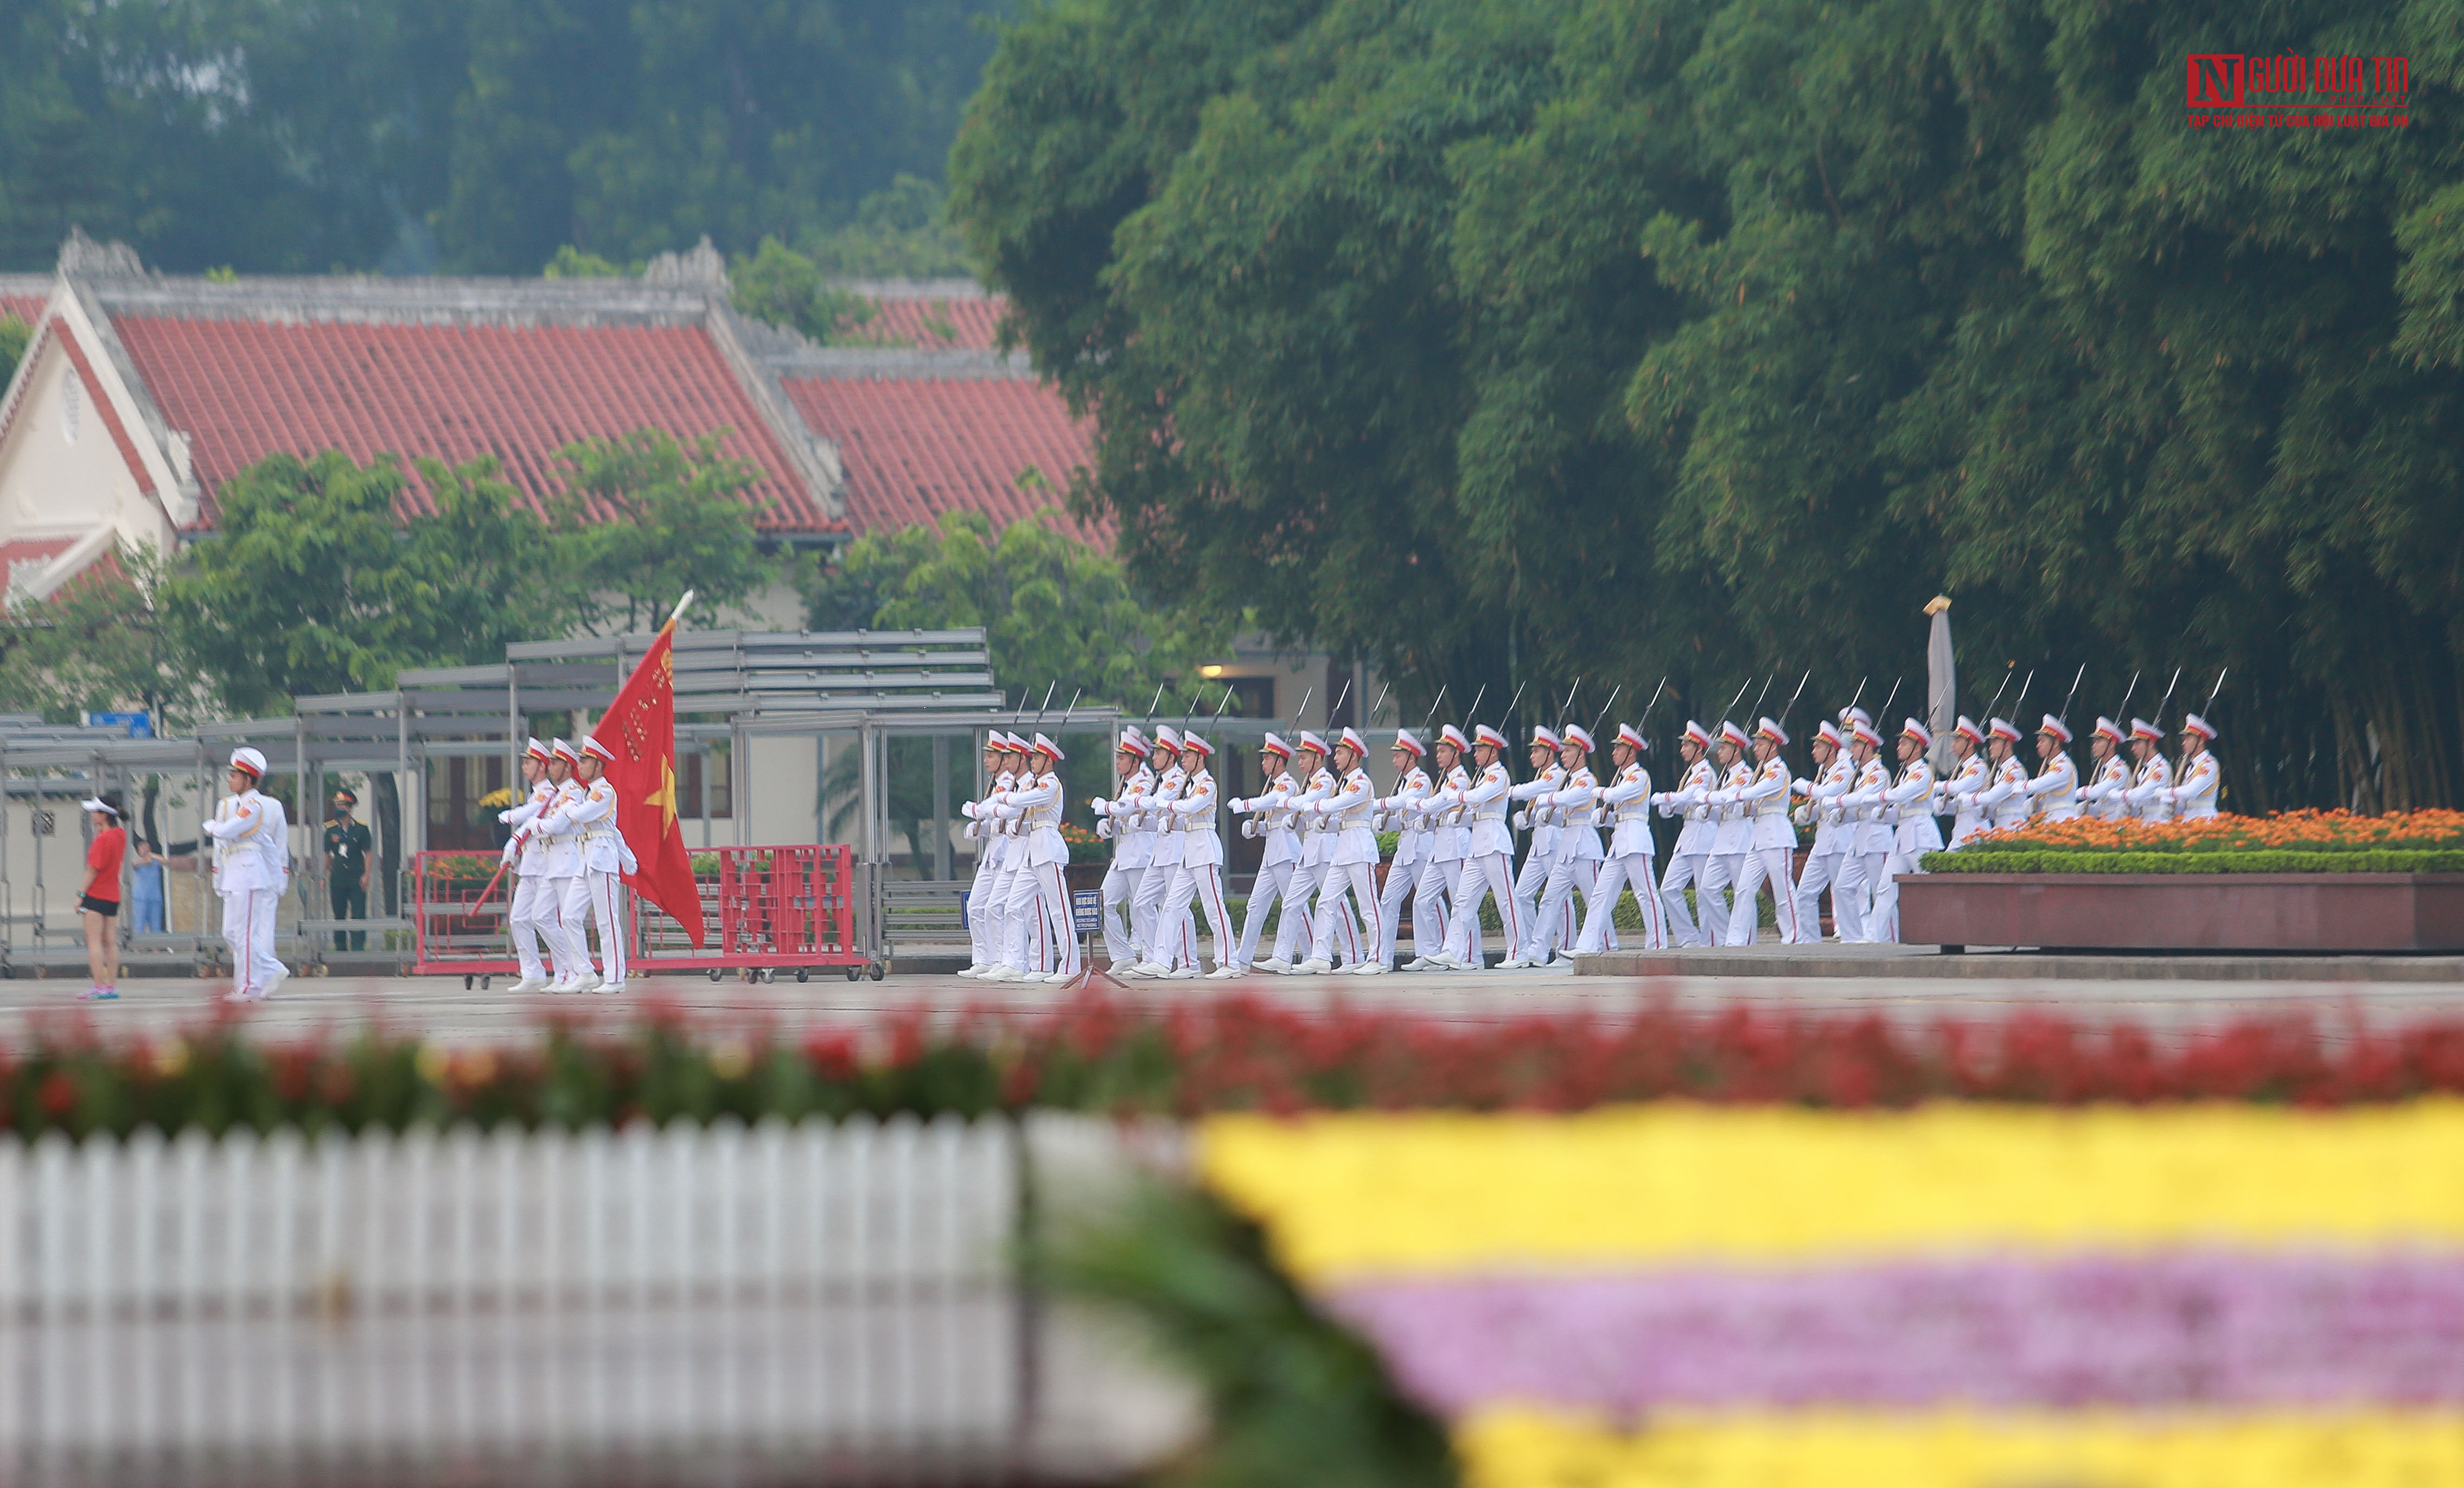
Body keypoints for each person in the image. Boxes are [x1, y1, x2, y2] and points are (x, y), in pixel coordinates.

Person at [537, 736, 635, 994]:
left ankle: (615, 978)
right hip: (587, 859)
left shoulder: (605, 791)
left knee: (607, 921)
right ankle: (585, 972)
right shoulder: (590, 792)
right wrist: (629, 858)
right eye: (579, 760)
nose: (580, 766)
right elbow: (614, 830)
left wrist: (565, 812)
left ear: (599, 764)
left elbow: (583, 816)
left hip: (602, 859)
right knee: (569, 916)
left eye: (585, 761)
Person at [201, 747, 289, 1002]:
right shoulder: (240, 804)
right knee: (231, 933)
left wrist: (213, 826)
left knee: (246, 934)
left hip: (250, 874)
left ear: (248, 779)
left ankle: (249, 987)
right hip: (236, 873)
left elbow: (228, 830)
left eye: (235, 775)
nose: (230, 779)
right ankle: (270, 969)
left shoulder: (254, 805)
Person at [1573, 722, 1667, 955]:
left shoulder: (1638, 777)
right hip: (1619, 843)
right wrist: (1605, 817)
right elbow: (1621, 814)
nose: (1614, 752)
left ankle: (1657, 945)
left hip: (1636, 842)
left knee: (1646, 894)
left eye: (1619, 748)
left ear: (1631, 752)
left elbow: (1617, 795)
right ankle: (1587, 945)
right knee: (1601, 895)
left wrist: (1596, 792)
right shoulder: (1624, 777)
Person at [994, 733, 1081, 983]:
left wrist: (1007, 796)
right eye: (1032, 758)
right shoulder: (1036, 784)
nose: (1032, 762)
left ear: (1049, 761)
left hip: (1048, 848)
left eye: (1038, 758)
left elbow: (1023, 800)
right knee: (1013, 905)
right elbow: (1015, 807)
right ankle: (1028, 964)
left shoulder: (1050, 784)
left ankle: (1070, 966)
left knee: (1059, 909)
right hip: (1033, 851)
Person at [1437, 724, 1522, 970]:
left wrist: (1453, 796)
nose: (1475, 754)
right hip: (1478, 845)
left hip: (1495, 843)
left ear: (1493, 752)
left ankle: (1518, 951)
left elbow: (1476, 798)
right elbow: (1474, 811)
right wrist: (1458, 817)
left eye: (1480, 749)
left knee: (1506, 900)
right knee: (1463, 900)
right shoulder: (1483, 776)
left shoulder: (1498, 775)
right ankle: (1453, 950)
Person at [1299, 727, 1379, 975]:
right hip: (1343, 849)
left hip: (1360, 849)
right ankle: (1321, 956)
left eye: (1341, 753)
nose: (1336, 757)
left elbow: (1339, 805)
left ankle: (1377, 958)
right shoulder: (1345, 784)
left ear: (1354, 755)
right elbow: (1340, 818)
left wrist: (1314, 805)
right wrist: (1325, 823)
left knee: (1368, 906)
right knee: (1326, 901)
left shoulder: (1361, 784)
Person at [1524, 723, 1606, 966]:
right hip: (1567, 848)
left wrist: (1544, 800)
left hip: (1585, 848)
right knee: (1550, 899)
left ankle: (1606, 946)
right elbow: (1565, 816)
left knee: (1595, 900)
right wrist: (1543, 816)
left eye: (1569, 751)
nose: (1564, 755)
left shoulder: (1586, 780)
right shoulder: (1570, 781)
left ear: (1581, 753)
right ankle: (1540, 950)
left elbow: (1569, 800)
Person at [1157, 731, 1234, 979]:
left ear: (1200, 758)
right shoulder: (1189, 786)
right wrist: (1170, 824)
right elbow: (1188, 820)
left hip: (1205, 851)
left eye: (1188, 755)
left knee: (1214, 909)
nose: (1183, 759)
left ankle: (1228, 962)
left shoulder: (1207, 785)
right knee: (1172, 906)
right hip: (1189, 853)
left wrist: (1166, 804)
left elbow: (1191, 808)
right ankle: (1161, 960)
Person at [1225, 734, 1302, 975]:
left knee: (1295, 905)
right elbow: (1272, 821)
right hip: (1272, 854)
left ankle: (1311, 956)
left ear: (1279, 761)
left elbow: (1271, 803)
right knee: (1255, 905)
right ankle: (1243, 959)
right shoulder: (1271, 784)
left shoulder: (1286, 784)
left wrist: (1245, 805)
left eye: (1267, 758)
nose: (1263, 762)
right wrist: (1255, 828)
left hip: (1286, 852)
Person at [1368, 729, 1443, 973]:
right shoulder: (1404, 783)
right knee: (1388, 900)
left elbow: (1403, 803)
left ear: (1410, 757)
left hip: (1422, 846)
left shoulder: (1419, 780)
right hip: (1406, 847)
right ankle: (1384, 958)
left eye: (1398, 755)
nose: (1394, 760)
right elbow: (1402, 817)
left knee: (1429, 901)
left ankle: (1436, 952)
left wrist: (1373, 804)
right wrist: (1382, 822)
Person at [1722, 718, 1803, 947]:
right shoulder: (1763, 770)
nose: (1755, 748)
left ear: (1773, 746)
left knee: (1783, 889)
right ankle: (1736, 938)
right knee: (1745, 889)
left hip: (1777, 836)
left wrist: (1735, 795)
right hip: (1758, 839)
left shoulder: (1777, 771)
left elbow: (1757, 791)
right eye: (1755, 744)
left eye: (1760, 744)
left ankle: (1794, 935)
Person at [1870, 719, 1945, 943]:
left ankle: (1943, 934)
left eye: (1904, 743)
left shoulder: (1921, 773)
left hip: (1921, 836)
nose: (1899, 747)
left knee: (1929, 887)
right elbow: (1901, 811)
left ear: (1917, 747)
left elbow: (1901, 796)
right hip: (1903, 837)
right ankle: (1875, 938)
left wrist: (1872, 798)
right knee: (1885, 888)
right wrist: (1880, 815)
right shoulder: (1905, 774)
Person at [497, 739, 561, 992]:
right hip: (531, 866)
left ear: (542, 767)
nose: (524, 767)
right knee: (519, 918)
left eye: (529, 762)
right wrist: (513, 844)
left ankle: (568, 969)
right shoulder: (539, 793)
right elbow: (527, 825)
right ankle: (533, 972)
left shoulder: (548, 793)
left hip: (547, 866)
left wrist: (512, 817)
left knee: (545, 919)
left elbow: (530, 813)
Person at [1089, 730, 1156, 974]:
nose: (1117, 761)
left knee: (1143, 908)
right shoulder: (1127, 783)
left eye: (1122, 757)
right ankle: (1123, 955)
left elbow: (1129, 810)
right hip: (1124, 855)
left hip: (1141, 854)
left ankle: (1152, 957)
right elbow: (1123, 819)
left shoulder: (1146, 781)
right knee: (1103, 903)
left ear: (1135, 761)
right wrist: (1109, 827)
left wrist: (1107, 808)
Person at [1791, 721, 1862, 943]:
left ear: (1832, 749)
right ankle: (1811, 940)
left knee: (1842, 891)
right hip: (1822, 842)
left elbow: (1828, 793)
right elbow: (1822, 805)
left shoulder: (1844, 770)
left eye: (1818, 747)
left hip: (1839, 841)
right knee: (1804, 893)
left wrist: (1802, 785)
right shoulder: (1825, 772)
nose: (1814, 752)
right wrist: (1805, 813)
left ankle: (1850, 935)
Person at [1652, 722, 1721, 947]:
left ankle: (1711, 941)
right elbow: (1685, 804)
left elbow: (1691, 795)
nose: (1682, 750)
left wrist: (1666, 798)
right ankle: (1689, 938)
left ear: (1699, 748)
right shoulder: (1690, 773)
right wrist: (1671, 807)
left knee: (1704, 893)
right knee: (1669, 888)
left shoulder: (1705, 773)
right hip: (1687, 837)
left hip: (1703, 836)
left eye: (1686, 746)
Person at [1503, 727, 1567, 968]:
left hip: (1555, 842)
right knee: (1522, 895)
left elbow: (1534, 792)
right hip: (1539, 844)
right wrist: (1527, 820)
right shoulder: (1542, 777)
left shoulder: (1556, 775)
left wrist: (1509, 791)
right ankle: (1535, 947)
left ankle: (1566, 949)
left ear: (1550, 754)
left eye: (1537, 751)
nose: (1532, 755)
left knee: (1560, 899)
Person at [1411, 725, 1474, 969]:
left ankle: (1470, 956)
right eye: (1437, 751)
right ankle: (1429, 952)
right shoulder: (1445, 779)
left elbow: (1441, 802)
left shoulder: (1459, 780)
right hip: (1440, 847)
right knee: (1422, 900)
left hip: (1456, 845)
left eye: (1443, 751)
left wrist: (1418, 804)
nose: (1438, 755)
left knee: (1462, 902)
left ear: (1455, 753)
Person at [1700, 721, 1756, 944]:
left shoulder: (1745, 774)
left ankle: (1747, 941)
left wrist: (1706, 799)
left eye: (1724, 748)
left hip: (1740, 837)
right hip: (1722, 838)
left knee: (1742, 892)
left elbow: (1731, 797)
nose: (1719, 752)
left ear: (1736, 750)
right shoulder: (1724, 776)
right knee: (1707, 888)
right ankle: (1728, 937)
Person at [1837, 719, 1891, 942]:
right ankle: (1851, 937)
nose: (1851, 749)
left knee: (1882, 891)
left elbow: (1860, 799)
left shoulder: (1878, 773)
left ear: (1868, 747)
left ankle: (1888, 938)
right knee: (1842, 887)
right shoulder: (1860, 774)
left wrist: (1834, 802)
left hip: (1877, 839)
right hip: (1860, 839)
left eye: (1856, 745)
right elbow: (1859, 809)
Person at [76, 792, 127, 1000]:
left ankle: (98, 985)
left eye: (95, 812)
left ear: (104, 815)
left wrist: (81, 895)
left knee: (94, 942)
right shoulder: (120, 835)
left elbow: (92, 870)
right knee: (111, 942)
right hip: (113, 895)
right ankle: (111, 986)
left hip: (96, 895)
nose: (92, 816)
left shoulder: (102, 840)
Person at [323, 785, 372, 951]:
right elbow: (326, 854)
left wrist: (367, 875)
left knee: (358, 913)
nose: (339, 809)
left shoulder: (361, 829)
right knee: (339, 913)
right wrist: (325, 875)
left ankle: (358, 947)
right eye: (337, 805)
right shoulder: (331, 829)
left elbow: (368, 853)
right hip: (338, 877)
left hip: (356, 875)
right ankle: (340, 948)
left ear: (350, 808)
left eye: (343, 805)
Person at [1933, 717, 1992, 846]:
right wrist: (1943, 806)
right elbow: (1960, 804)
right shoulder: (1964, 769)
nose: (1953, 745)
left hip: (1976, 829)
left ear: (1970, 744)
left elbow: (1959, 788)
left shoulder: (1978, 767)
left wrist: (1936, 786)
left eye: (1958, 740)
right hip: (1961, 831)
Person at [1974, 718, 2033, 834]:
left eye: (1995, 743)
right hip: (2002, 827)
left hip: (2014, 828)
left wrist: (1969, 799)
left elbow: (1992, 797)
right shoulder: (2002, 771)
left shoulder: (2015, 772)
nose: (1991, 748)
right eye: (1991, 743)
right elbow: (1995, 806)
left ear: (2007, 746)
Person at [2076, 717, 2134, 820]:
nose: (2094, 746)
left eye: (2098, 741)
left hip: (2117, 823)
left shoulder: (2119, 770)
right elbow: (2101, 804)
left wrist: (2077, 793)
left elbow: (2098, 792)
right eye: (2094, 742)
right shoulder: (2105, 768)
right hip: (2105, 822)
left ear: (2111, 744)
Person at [2026, 716, 2080, 823]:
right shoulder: (2051, 768)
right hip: (2051, 820)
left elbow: (2040, 785)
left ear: (2055, 743)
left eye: (2042, 741)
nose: (2038, 745)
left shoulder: (2063, 766)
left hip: (2064, 821)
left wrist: (2021, 786)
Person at [2169, 714, 2222, 819]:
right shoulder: (2191, 767)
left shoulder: (2209, 765)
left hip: (2205, 819)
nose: (2184, 743)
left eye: (2188, 739)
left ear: (2201, 740)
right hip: (2189, 818)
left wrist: (2163, 793)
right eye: (2184, 739)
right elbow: (2183, 801)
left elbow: (2191, 791)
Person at [2123, 718, 2174, 821]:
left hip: (2159, 822)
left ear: (2150, 744)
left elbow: (2140, 794)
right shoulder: (2143, 771)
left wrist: (2116, 794)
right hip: (2146, 821)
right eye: (2133, 744)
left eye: (2137, 743)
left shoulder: (2161, 769)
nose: (2133, 748)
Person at [129, 838, 165, 935]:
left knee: (155, 926)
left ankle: (155, 948)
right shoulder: (137, 862)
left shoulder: (156, 862)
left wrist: (153, 856)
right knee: (139, 925)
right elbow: (132, 865)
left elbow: (165, 861)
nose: (144, 850)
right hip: (140, 899)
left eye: (146, 847)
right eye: (141, 848)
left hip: (155, 898)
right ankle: (137, 948)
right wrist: (145, 862)